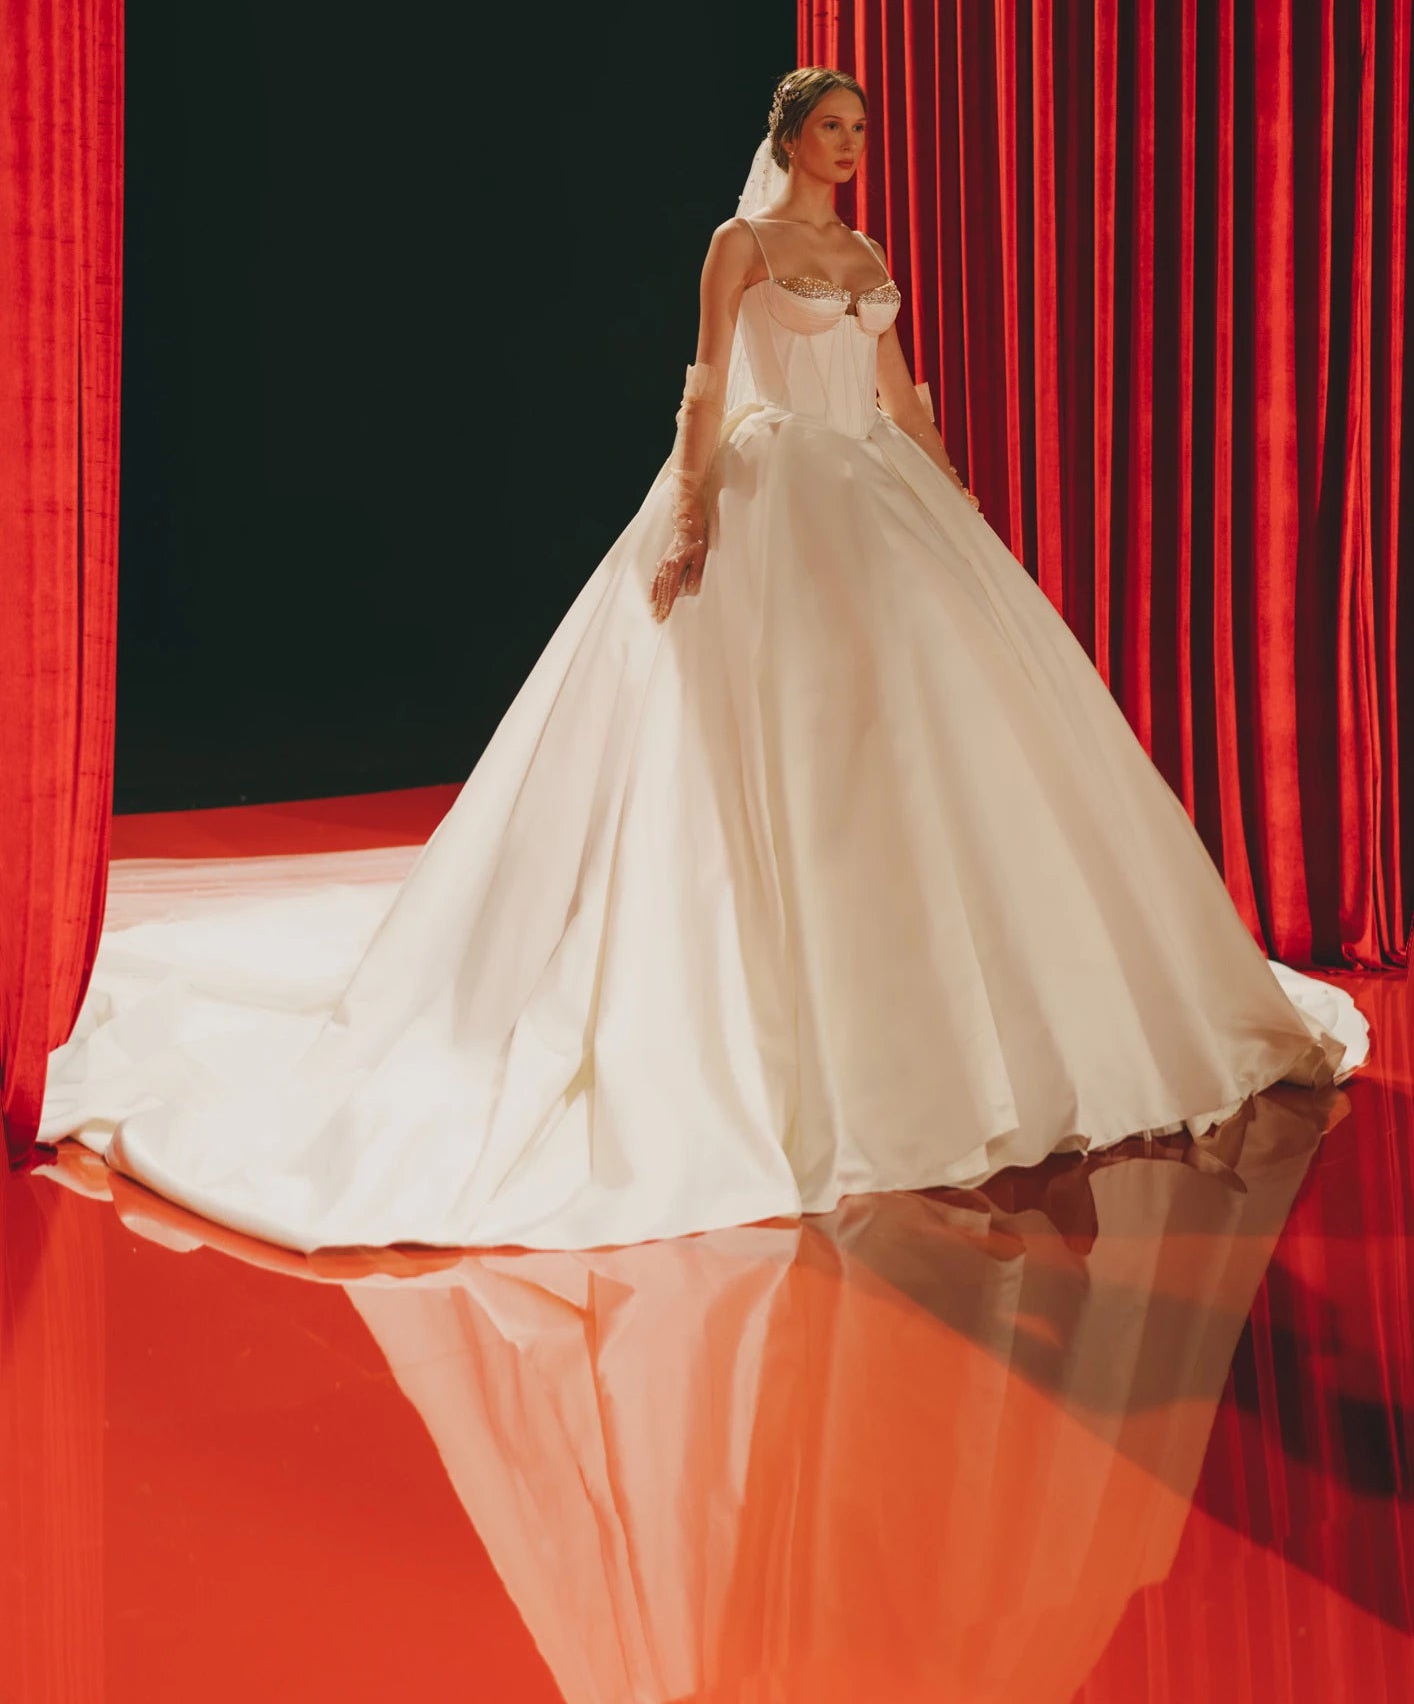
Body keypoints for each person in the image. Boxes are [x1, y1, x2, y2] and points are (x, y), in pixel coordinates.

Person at [37, 66, 1369, 1256]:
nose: (850, 146)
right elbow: (707, 384)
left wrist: (950, 488)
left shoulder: (866, 252)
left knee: (922, 745)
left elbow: (898, 391)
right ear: (787, 137)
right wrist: (688, 513)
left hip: (878, 497)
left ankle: (959, 1019)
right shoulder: (742, 244)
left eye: (860, 129)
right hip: (777, 488)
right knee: (779, 738)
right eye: (831, 127)